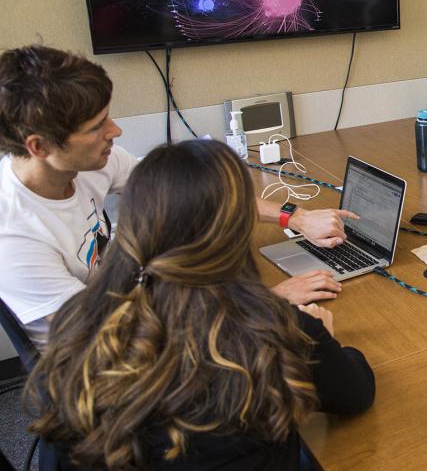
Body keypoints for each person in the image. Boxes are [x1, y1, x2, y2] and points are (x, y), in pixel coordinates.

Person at [25, 139, 383, 471]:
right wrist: (322, 339)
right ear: (233, 231)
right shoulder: (267, 331)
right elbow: (356, 394)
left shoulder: (81, 321)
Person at [0, 45, 355, 347]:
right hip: (102, 358)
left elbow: (197, 192)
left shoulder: (94, 162)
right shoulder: (13, 235)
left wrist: (294, 218)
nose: (115, 131)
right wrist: (262, 304)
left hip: (136, 309)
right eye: (96, 127)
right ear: (39, 146)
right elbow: (106, 333)